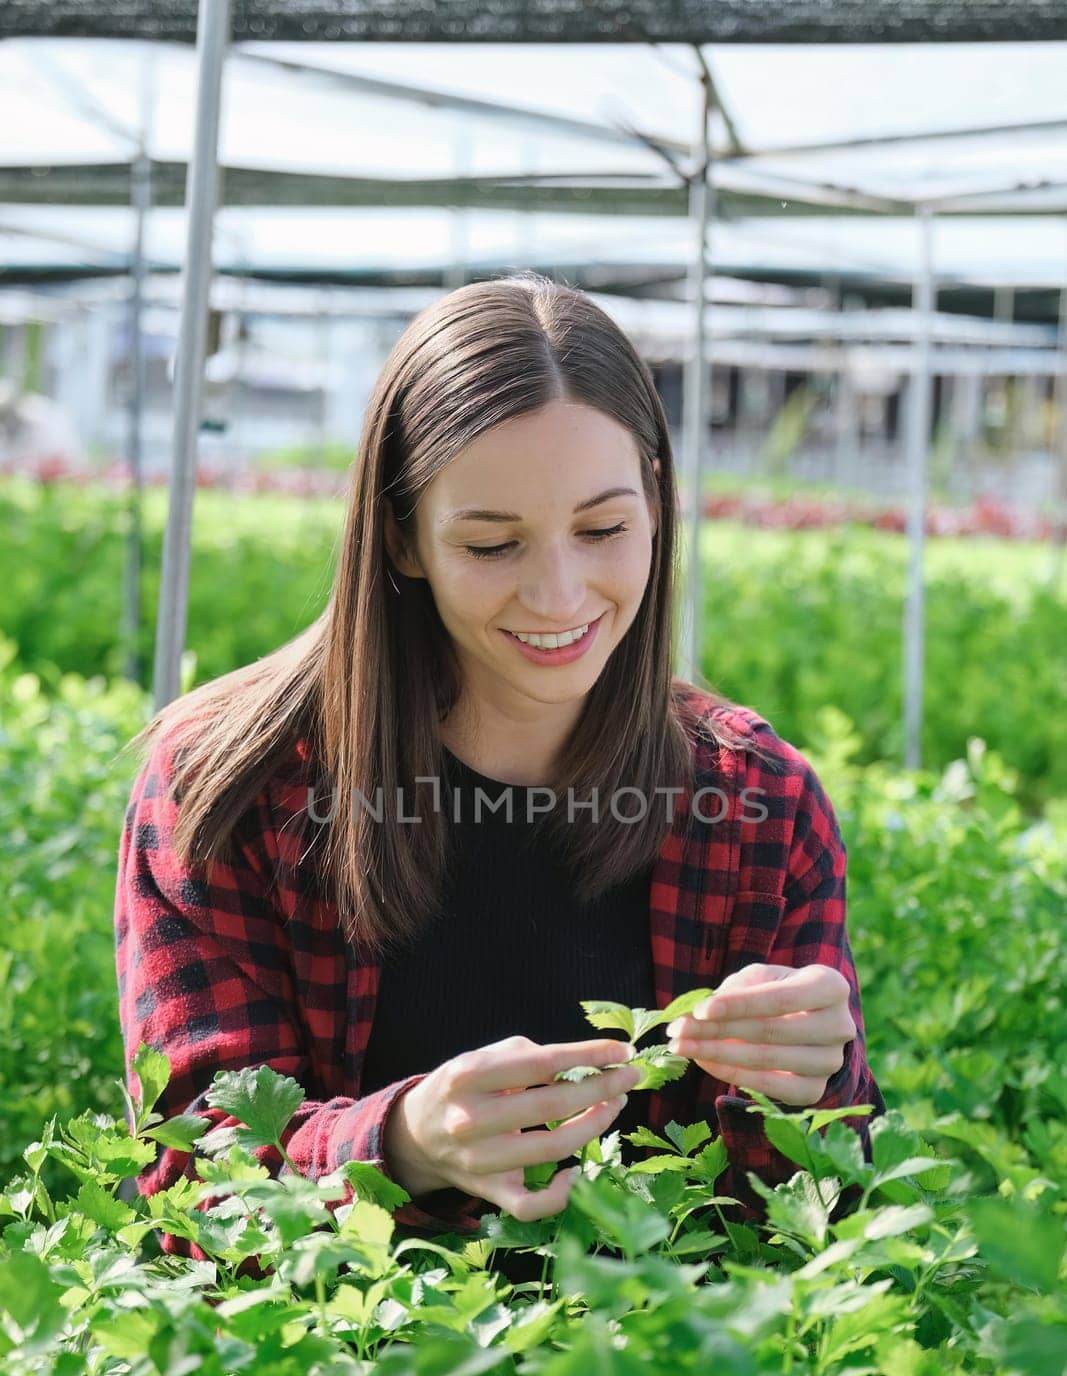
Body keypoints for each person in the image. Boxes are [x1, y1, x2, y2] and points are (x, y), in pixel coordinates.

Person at [114, 271, 884, 1272]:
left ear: (655, 504)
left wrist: (813, 1086)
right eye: (491, 542)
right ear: (400, 532)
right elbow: (195, 1184)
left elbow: (822, 1222)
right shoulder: (231, 788)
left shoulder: (753, 804)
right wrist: (404, 1144)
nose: (557, 591)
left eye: (602, 529)